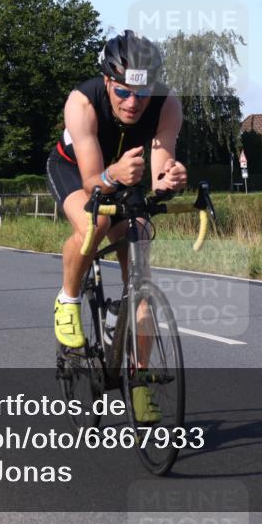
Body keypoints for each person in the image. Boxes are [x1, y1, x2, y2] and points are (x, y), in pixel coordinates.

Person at [46, 30, 187, 421]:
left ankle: (139, 380)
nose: (133, 103)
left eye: (142, 94)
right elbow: (93, 182)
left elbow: (159, 173)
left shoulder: (167, 106)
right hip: (77, 172)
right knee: (96, 221)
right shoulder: (82, 103)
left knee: (139, 250)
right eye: (123, 92)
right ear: (108, 82)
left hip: (125, 178)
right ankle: (69, 300)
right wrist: (115, 173)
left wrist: (171, 178)